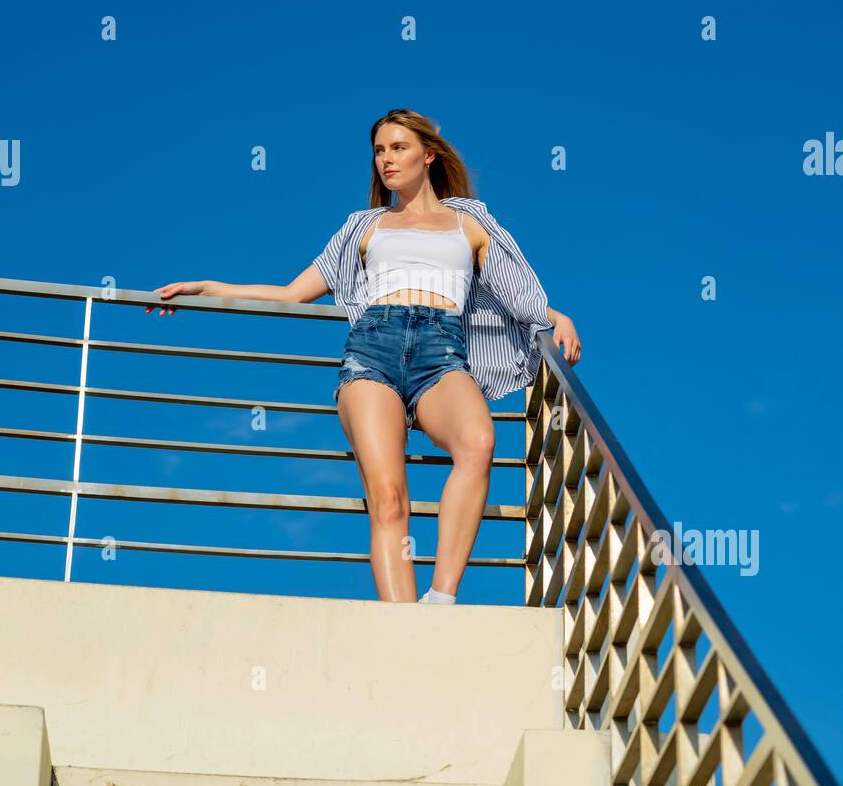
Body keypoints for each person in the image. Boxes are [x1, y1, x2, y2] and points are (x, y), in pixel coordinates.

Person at [146, 109, 581, 606]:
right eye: (379, 151)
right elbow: (292, 293)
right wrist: (208, 288)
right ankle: (402, 628)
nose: (386, 160)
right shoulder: (365, 227)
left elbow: (515, 291)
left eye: (398, 147)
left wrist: (555, 315)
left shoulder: (471, 224)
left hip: (442, 352)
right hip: (372, 352)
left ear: (428, 154)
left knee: (479, 442)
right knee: (389, 497)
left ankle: (440, 601)